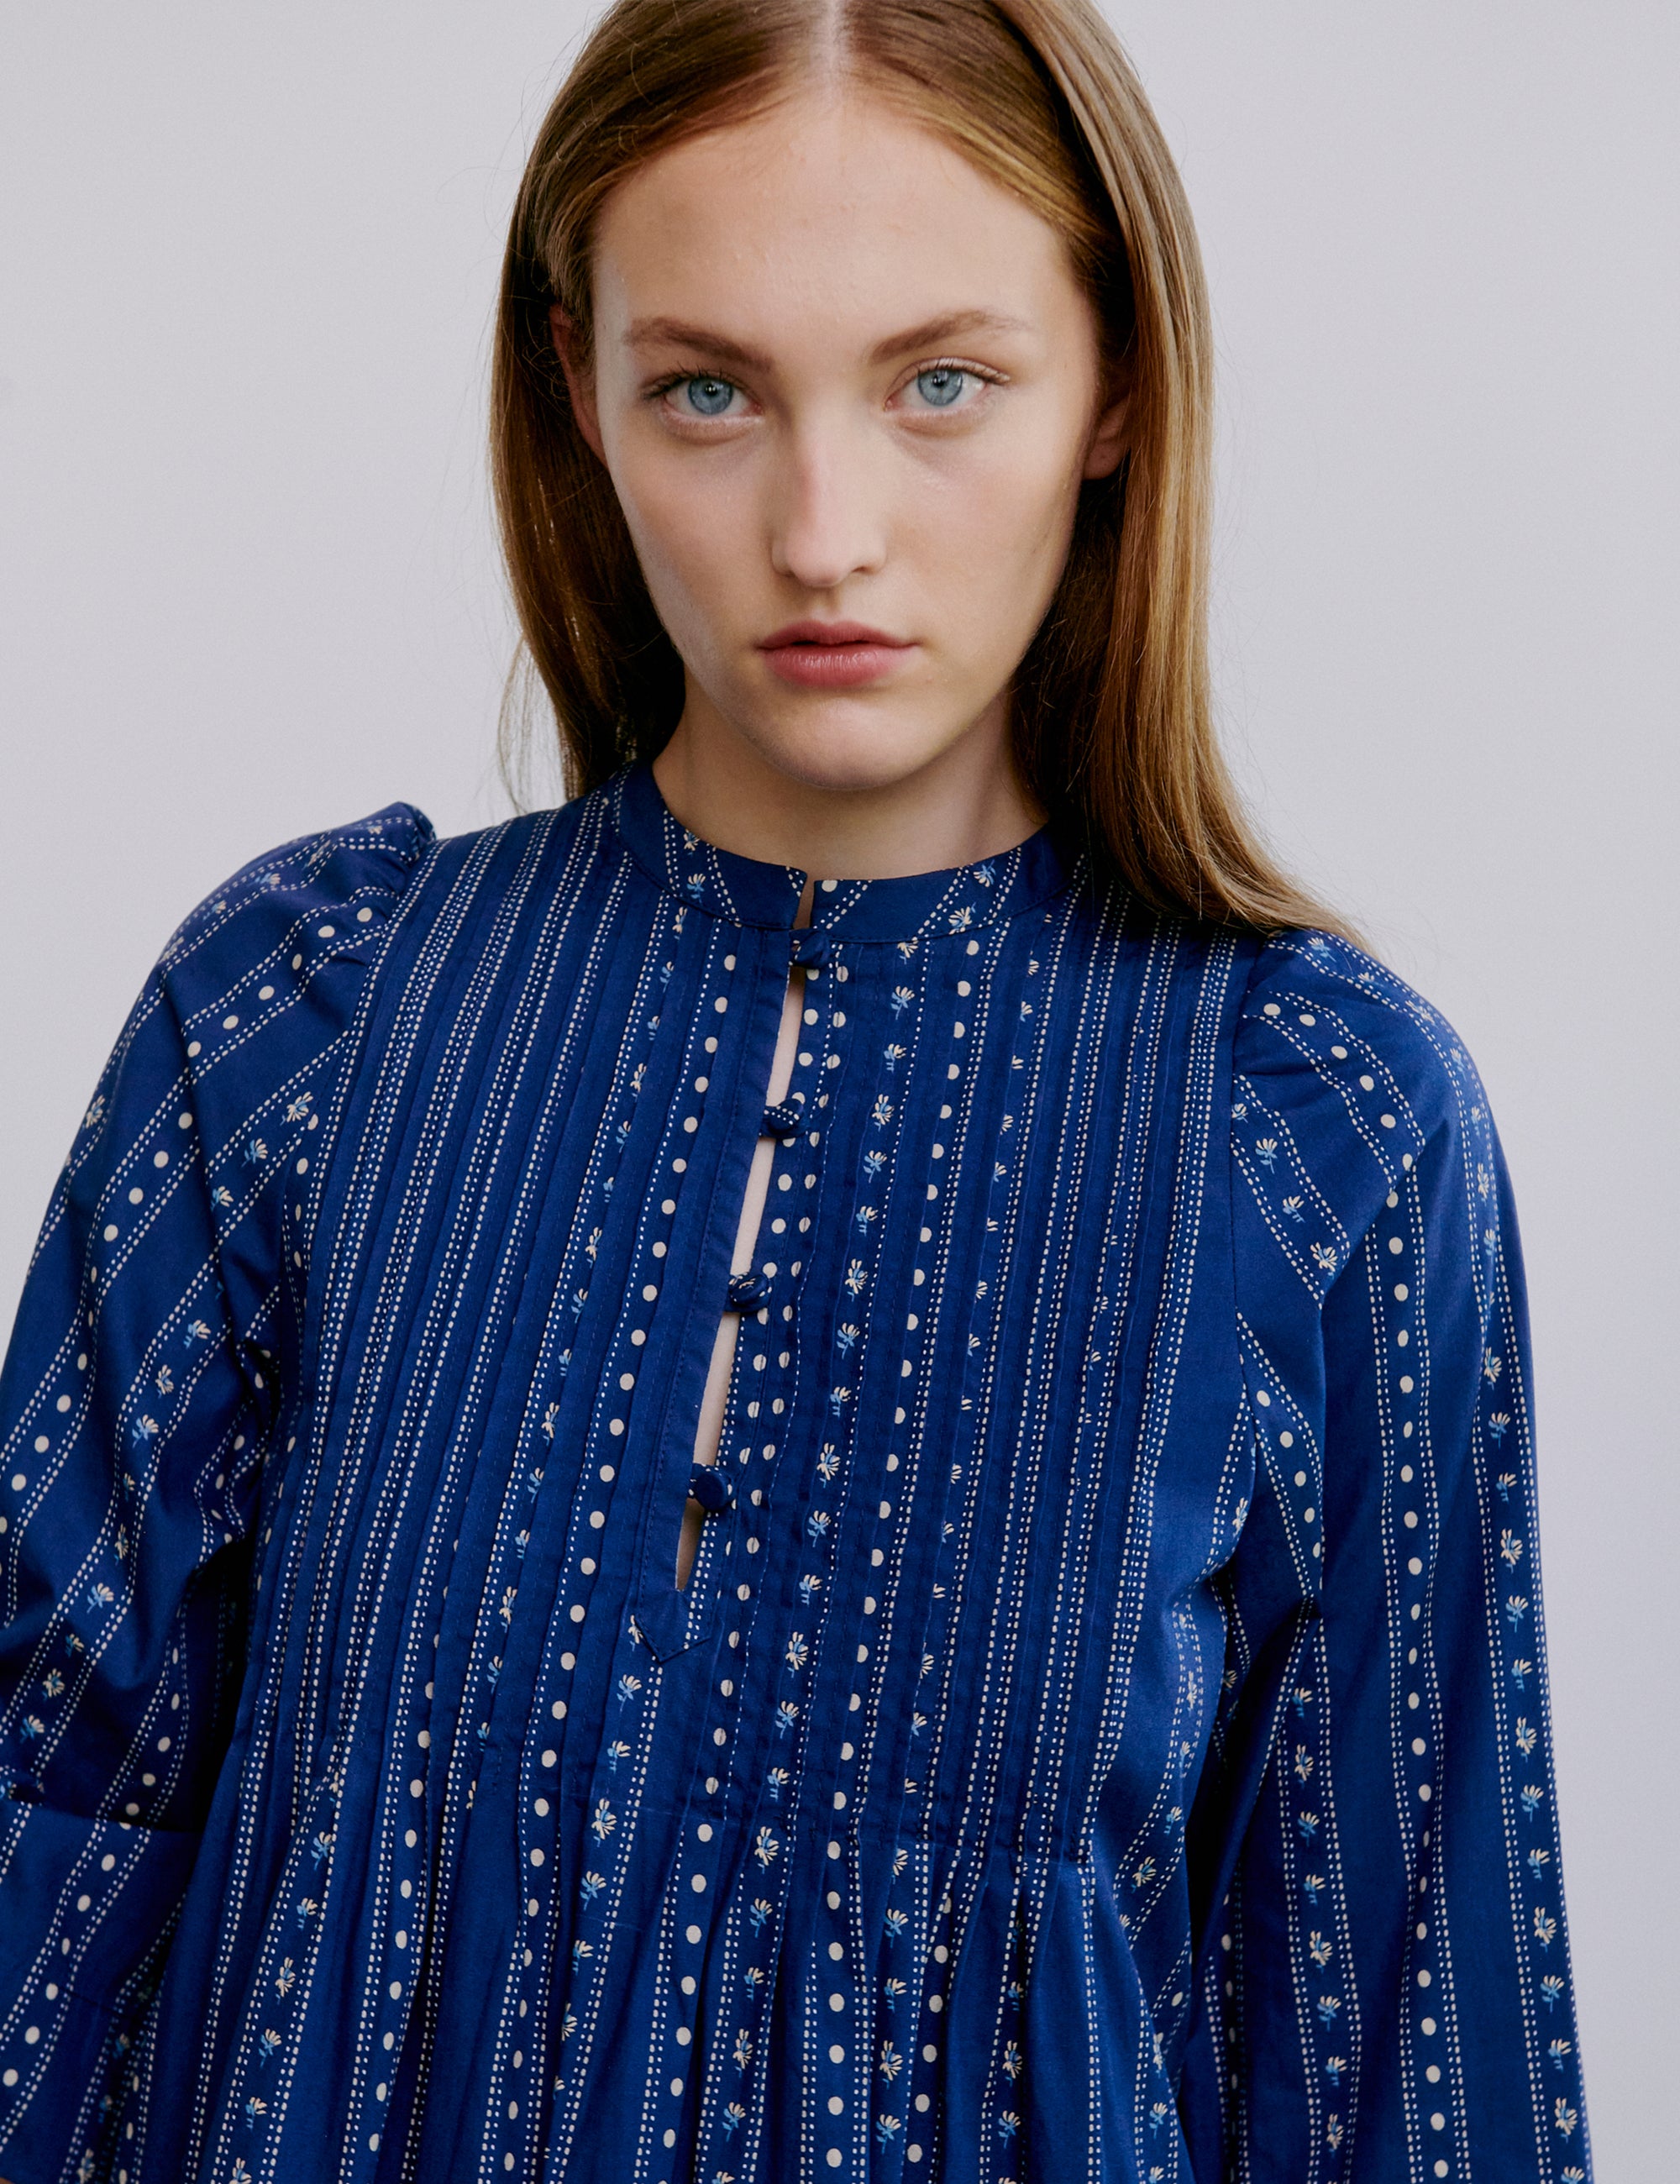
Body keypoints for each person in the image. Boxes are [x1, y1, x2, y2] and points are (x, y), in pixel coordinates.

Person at [0, 0, 1591, 2176]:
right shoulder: (303, 1017)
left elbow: (1410, 2042)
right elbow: (45, 1844)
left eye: (943, 383)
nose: (823, 529)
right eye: (711, 392)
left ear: (1115, 383)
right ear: (581, 388)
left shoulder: (1323, 1125)